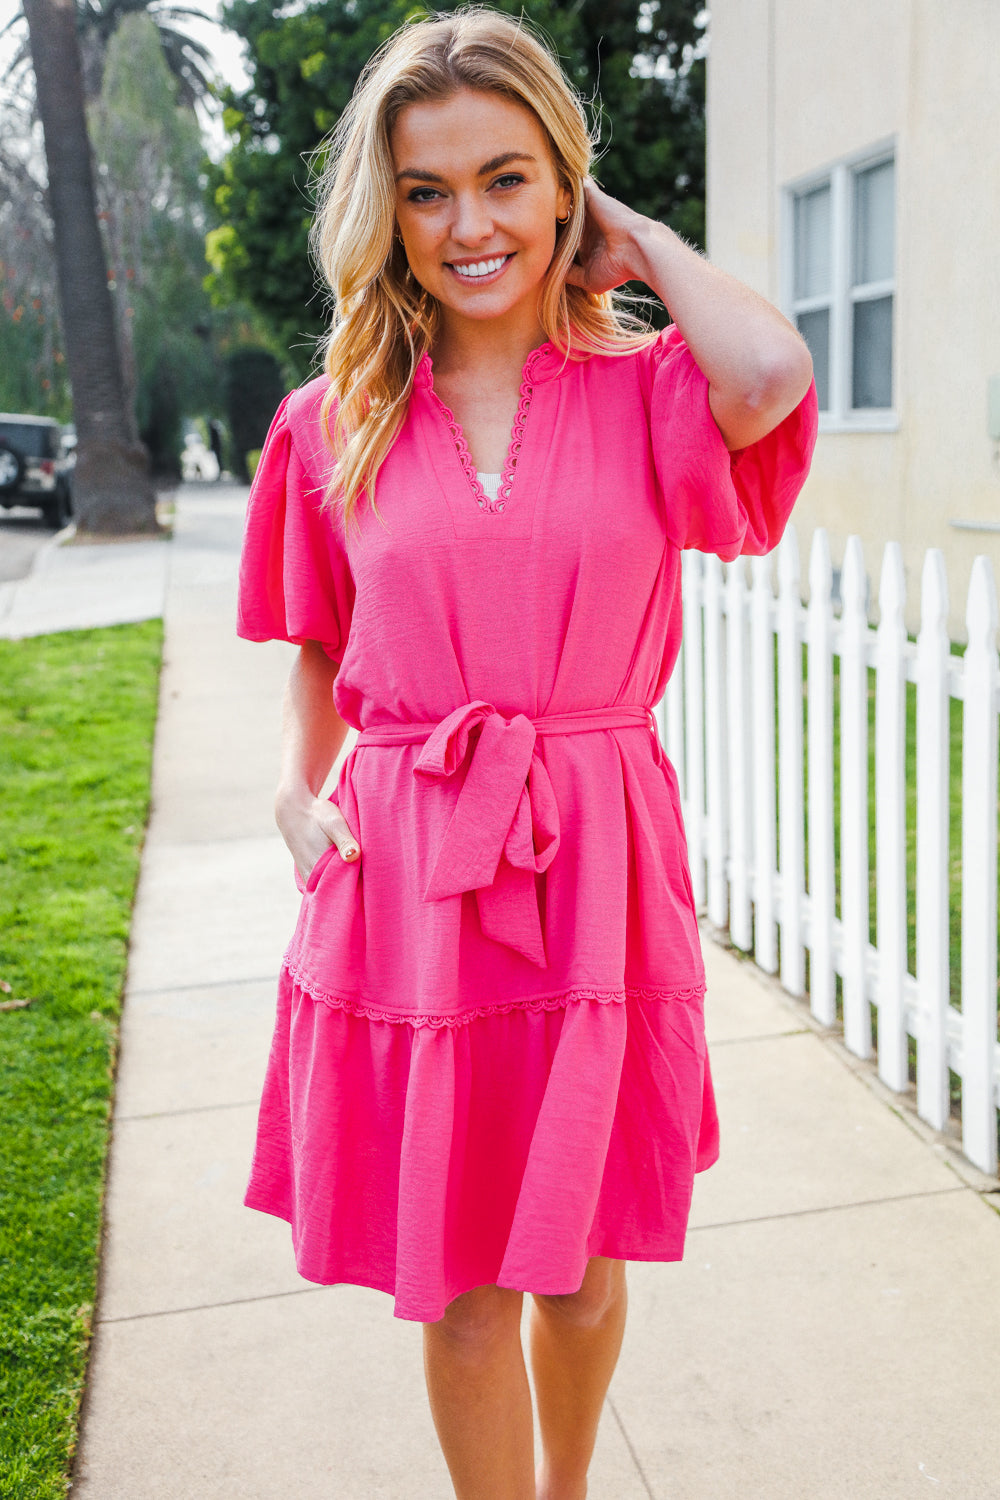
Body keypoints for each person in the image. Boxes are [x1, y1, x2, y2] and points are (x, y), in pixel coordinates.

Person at [236, 8, 817, 1498]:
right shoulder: (333, 421)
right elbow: (321, 636)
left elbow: (767, 371)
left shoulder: (651, 394)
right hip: (414, 868)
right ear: (389, 211)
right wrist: (294, 794)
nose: (466, 224)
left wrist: (629, 238)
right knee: (465, 1279)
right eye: (426, 190)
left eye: (506, 178)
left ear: (564, 186)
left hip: (598, 862)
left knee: (580, 1261)